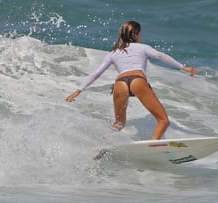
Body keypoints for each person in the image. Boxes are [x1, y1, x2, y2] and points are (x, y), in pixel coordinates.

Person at [65, 20, 197, 140]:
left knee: (119, 124)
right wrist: (183, 67)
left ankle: (103, 143)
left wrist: (78, 91)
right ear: (135, 34)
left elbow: (96, 73)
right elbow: (159, 55)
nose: (141, 36)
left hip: (120, 83)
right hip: (137, 80)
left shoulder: (114, 53)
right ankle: (152, 145)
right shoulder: (143, 47)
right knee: (163, 120)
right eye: (139, 34)